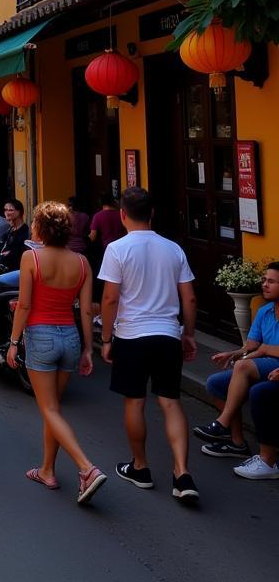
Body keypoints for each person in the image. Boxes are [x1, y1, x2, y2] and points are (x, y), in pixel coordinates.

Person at [99, 186, 199, 503]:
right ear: (152, 213)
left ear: (122, 214)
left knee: (135, 401)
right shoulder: (173, 249)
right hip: (168, 333)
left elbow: (111, 297)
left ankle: (140, 467)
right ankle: (182, 473)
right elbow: (189, 297)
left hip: (132, 335)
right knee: (170, 401)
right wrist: (188, 334)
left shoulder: (117, 249)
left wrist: (106, 337)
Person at [6, 201, 105, 503]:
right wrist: (89, 349)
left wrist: (13, 342)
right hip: (71, 338)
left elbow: (24, 304)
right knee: (54, 409)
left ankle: (86, 468)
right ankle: (47, 469)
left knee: (48, 409)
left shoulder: (31, 258)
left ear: (40, 228)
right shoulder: (82, 262)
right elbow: (86, 311)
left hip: (41, 337)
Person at [196, 262, 279, 469]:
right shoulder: (265, 311)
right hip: (262, 365)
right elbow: (251, 344)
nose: (265, 285)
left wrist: (264, 350)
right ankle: (237, 443)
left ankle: (222, 424)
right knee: (216, 383)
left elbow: (262, 349)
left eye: (271, 281)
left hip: (273, 366)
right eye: (264, 280)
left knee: (243, 369)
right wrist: (234, 353)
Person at [89, 193, 125, 273]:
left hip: (108, 249)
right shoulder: (121, 214)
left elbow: (93, 237)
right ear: (113, 202)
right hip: (124, 247)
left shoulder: (98, 216)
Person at [0, 199, 31, 272]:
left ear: (19, 212)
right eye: (5, 210)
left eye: (10, 210)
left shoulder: (25, 232)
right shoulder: (9, 231)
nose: (7, 212)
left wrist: (9, 253)